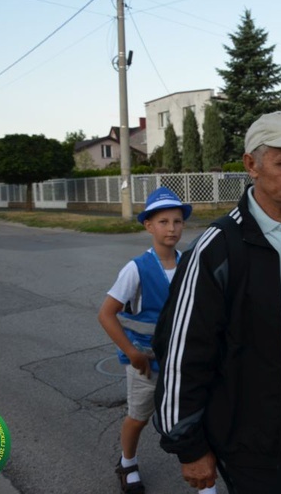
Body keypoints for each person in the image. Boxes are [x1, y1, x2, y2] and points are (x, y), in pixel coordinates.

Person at [152, 111, 281, 493]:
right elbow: (181, 352)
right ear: (251, 164)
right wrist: (188, 446)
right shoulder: (218, 248)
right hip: (243, 424)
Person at [98, 187, 192, 494]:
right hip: (146, 364)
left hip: (181, 363)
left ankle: (203, 478)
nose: (172, 228)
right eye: (163, 222)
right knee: (138, 417)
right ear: (148, 226)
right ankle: (127, 462)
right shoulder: (136, 269)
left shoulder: (189, 264)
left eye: (177, 221)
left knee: (191, 416)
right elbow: (106, 314)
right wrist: (132, 353)